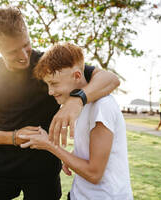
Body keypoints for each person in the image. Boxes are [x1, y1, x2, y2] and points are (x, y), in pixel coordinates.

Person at [0, 7, 120, 200]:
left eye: (26, 45)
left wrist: (77, 100)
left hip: (45, 170)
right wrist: (13, 137)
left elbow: (110, 79)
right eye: (13, 51)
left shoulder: (49, 66)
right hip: (1, 166)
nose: (23, 55)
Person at [19, 43, 133, 200]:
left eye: (54, 83)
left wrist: (50, 145)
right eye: (48, 85)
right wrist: (74, 155)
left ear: (77, 76)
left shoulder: (102, 106)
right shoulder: (79, 105)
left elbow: (94, 174)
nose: (50, 92)